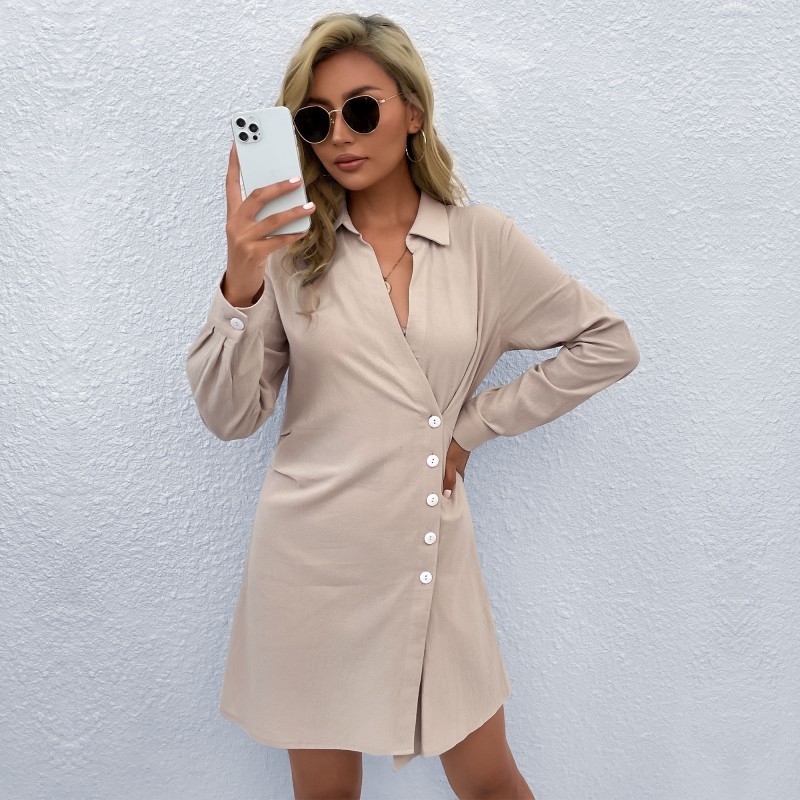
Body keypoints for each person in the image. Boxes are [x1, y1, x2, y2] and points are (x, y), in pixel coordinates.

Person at [186, 11, 639, 800]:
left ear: (413, 112)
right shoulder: (290, 255)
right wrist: (241, 276)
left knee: (490, 781)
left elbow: (607, 344)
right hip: (310, 559)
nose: (339, 135)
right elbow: (230, 417)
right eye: (316, 120)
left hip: (428, 551)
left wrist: (473, 426)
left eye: (361, 109)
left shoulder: (482, 242)